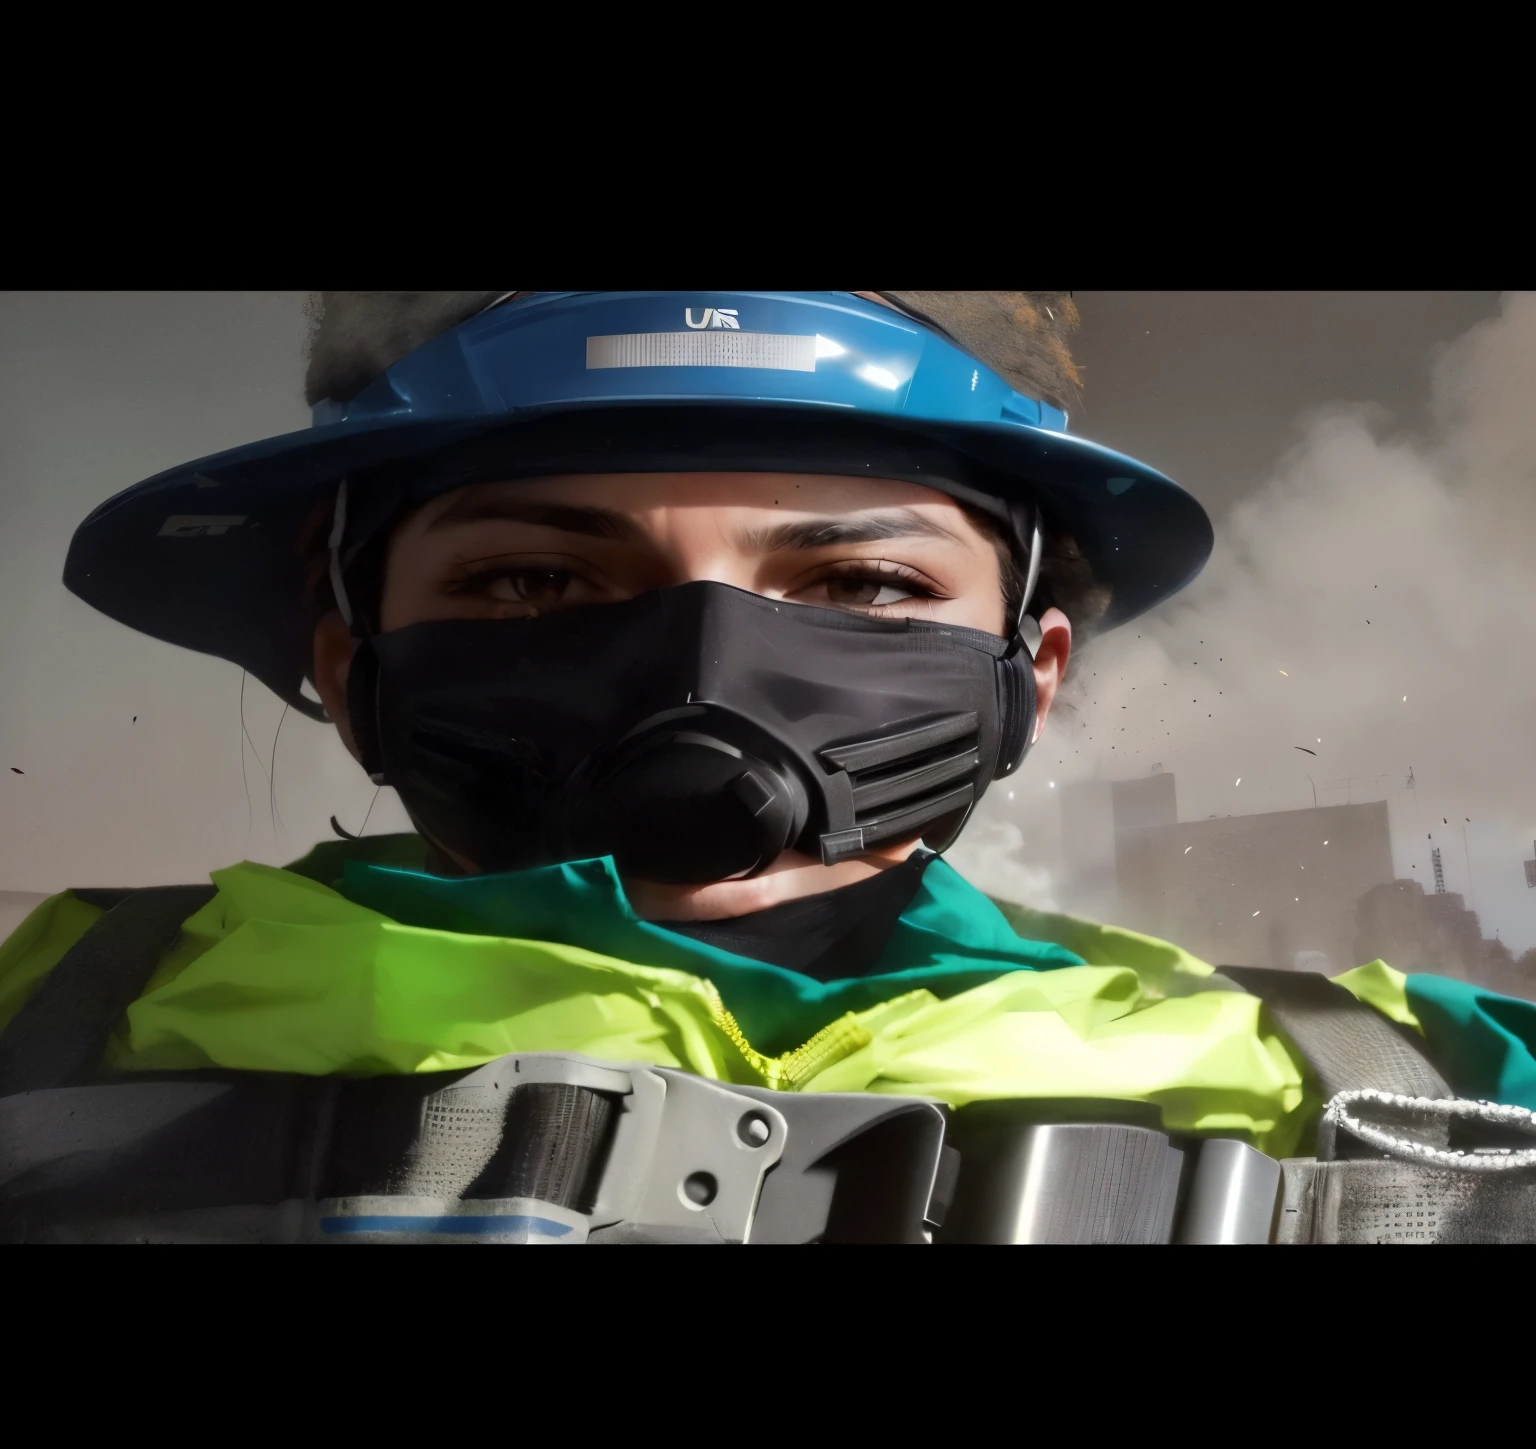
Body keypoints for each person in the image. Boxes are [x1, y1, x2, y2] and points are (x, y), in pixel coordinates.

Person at [3, 289, 1534, 1244]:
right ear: (351, 670)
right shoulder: (61, 1025)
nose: (705, 673)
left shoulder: (1417, 1088)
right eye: (533, 583)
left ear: (1034, 677)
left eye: (864, 587)